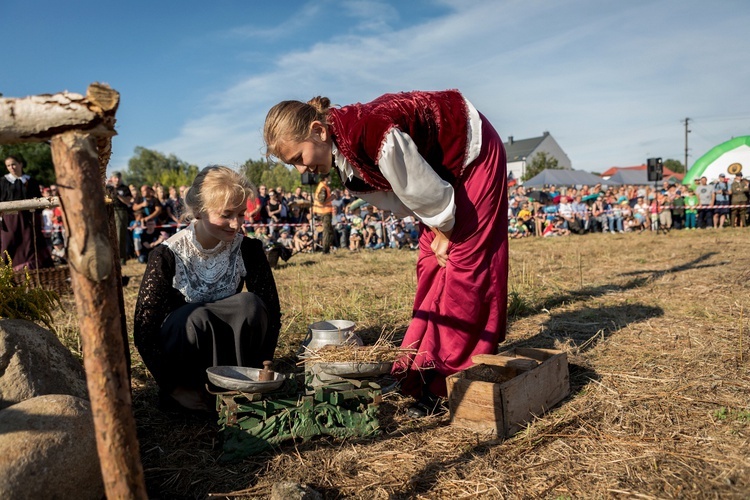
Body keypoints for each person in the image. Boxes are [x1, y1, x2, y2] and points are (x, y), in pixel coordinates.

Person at [263, 90, 508, 417]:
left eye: (297, 158)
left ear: (319, 132)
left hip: (470, 152)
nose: (299, 170)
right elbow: (406, 196)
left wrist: (446, 233)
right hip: (437, 181)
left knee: (465, 266)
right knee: (431, 266)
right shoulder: (343, 159)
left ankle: (451, 380)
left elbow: (425, 190)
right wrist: (438, 232)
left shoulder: (369, 132)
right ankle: (423, 367)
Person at [133, 166, 281, 413]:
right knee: (196, 317)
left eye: (242, 214)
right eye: (226, 214)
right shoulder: (167, 255)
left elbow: (271, 314)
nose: (236, 224)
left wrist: (262, 372)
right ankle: (197, 393)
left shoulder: (249, 250)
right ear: (199, 211)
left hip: (236, 361)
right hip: (186, 360)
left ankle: (240, 386)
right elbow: (145, 332)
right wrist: (174, 388)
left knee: (250, 305)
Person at [1, 155, 54, 271]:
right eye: (8, 165)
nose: (12, 167)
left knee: (30, 242)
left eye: (14, 164)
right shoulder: (3, 182)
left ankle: (35, 271)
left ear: (21, 164)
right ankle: (7, 273)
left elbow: (38, 201)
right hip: (10, 220)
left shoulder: (31, 181)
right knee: (9, 242)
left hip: (29, 218)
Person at [106, 171, 133, 265]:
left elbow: (128, 202)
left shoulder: (124, 188)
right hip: (109, 211)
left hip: (121, 212)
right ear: (112, 178)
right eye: (115, 177)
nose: (117, 180)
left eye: (118, 178)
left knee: (120, 235)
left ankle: (121, 258)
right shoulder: (108, 188)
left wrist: (117, 194)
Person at [313, 173, 334, 253]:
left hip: (323, 211)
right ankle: (325, 250)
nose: (330, 178)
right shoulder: (323, 187)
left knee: (329, 231)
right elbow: (321, 201)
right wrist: (332, 198)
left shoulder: (323, 186)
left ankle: (328, 248)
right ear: (325, 178)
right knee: (326, 231)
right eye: (329, 177)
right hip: (324, 212)